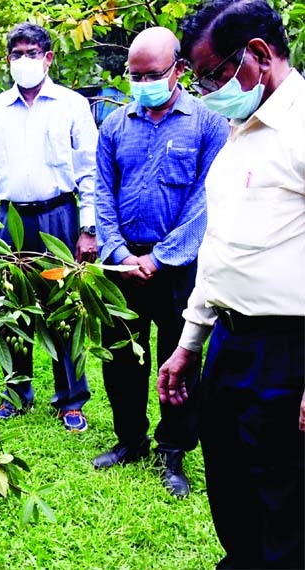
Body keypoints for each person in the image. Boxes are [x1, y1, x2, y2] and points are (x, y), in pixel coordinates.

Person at [158, 0, 304, 566]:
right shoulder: (240, 128)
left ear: (259, 56)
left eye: (213, 75)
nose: (206, 90)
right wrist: (189, 342)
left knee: (285, 497)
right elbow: (219, 248)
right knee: (230, 482)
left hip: (288, 350)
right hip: (230, 343)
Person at [92, 27, 229, 497]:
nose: (141, 82)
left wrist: (162, 257)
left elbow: (205, 199)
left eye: (151, 74)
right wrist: (118, 253)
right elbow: (101, 196)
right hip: (123, 262)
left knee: (180, 358)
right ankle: (130, 439)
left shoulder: (208, 124)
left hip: (179, 267)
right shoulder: (114, 125)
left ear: (179, 70)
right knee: (121, 358)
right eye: (134, 74)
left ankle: (174, 450)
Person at [0, 22, 98, 433]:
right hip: (9, 220)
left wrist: (88, 227)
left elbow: (89, 170)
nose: (25, 60)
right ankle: (15, 392)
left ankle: (71, 399)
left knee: (64, 307)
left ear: (48, 58)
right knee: (13, 306)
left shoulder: (72, 105)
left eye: (32, 53)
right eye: (17, 54)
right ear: (8, 60)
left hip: (59, 215)